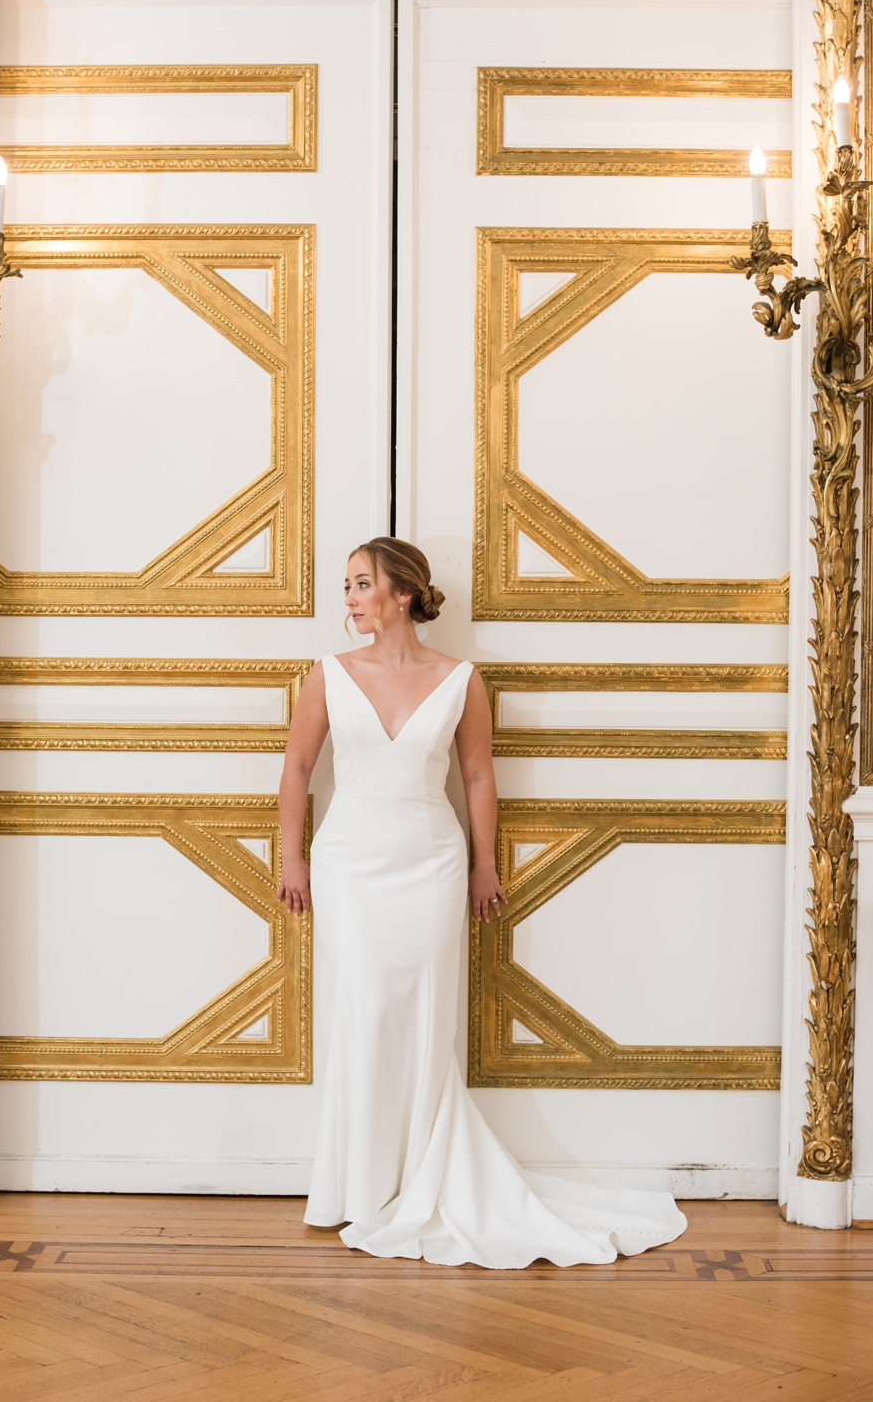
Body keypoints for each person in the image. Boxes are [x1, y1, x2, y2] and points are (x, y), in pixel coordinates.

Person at [278, 536, 687, 1267]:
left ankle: (415, 1180)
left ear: (402, 592)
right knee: (367, 1004)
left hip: (431, 863)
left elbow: (477, 779)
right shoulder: (328, 677)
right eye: (346, 585)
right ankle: (358, 1187)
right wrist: (292, 857)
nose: (348, 598)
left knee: (427, 1019)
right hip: (349, 864)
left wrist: (482, 866)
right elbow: (298, 768)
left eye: (360, 583)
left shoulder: (461, 679)